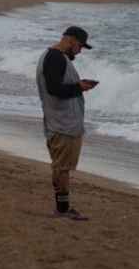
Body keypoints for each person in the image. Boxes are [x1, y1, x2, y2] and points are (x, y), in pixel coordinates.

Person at [36, 26, 98, 220]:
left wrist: (78, 87)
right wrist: (79, 87)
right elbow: (55, 89)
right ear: (71, 40)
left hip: (60, 123)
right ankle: (62, 210)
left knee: (61, 167)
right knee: (62, 168)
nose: (80, 51)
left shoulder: (53, 57)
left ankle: (63, 208)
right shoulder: (55, 58)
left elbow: (55, 86)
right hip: (63, 125)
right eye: (80, 46)